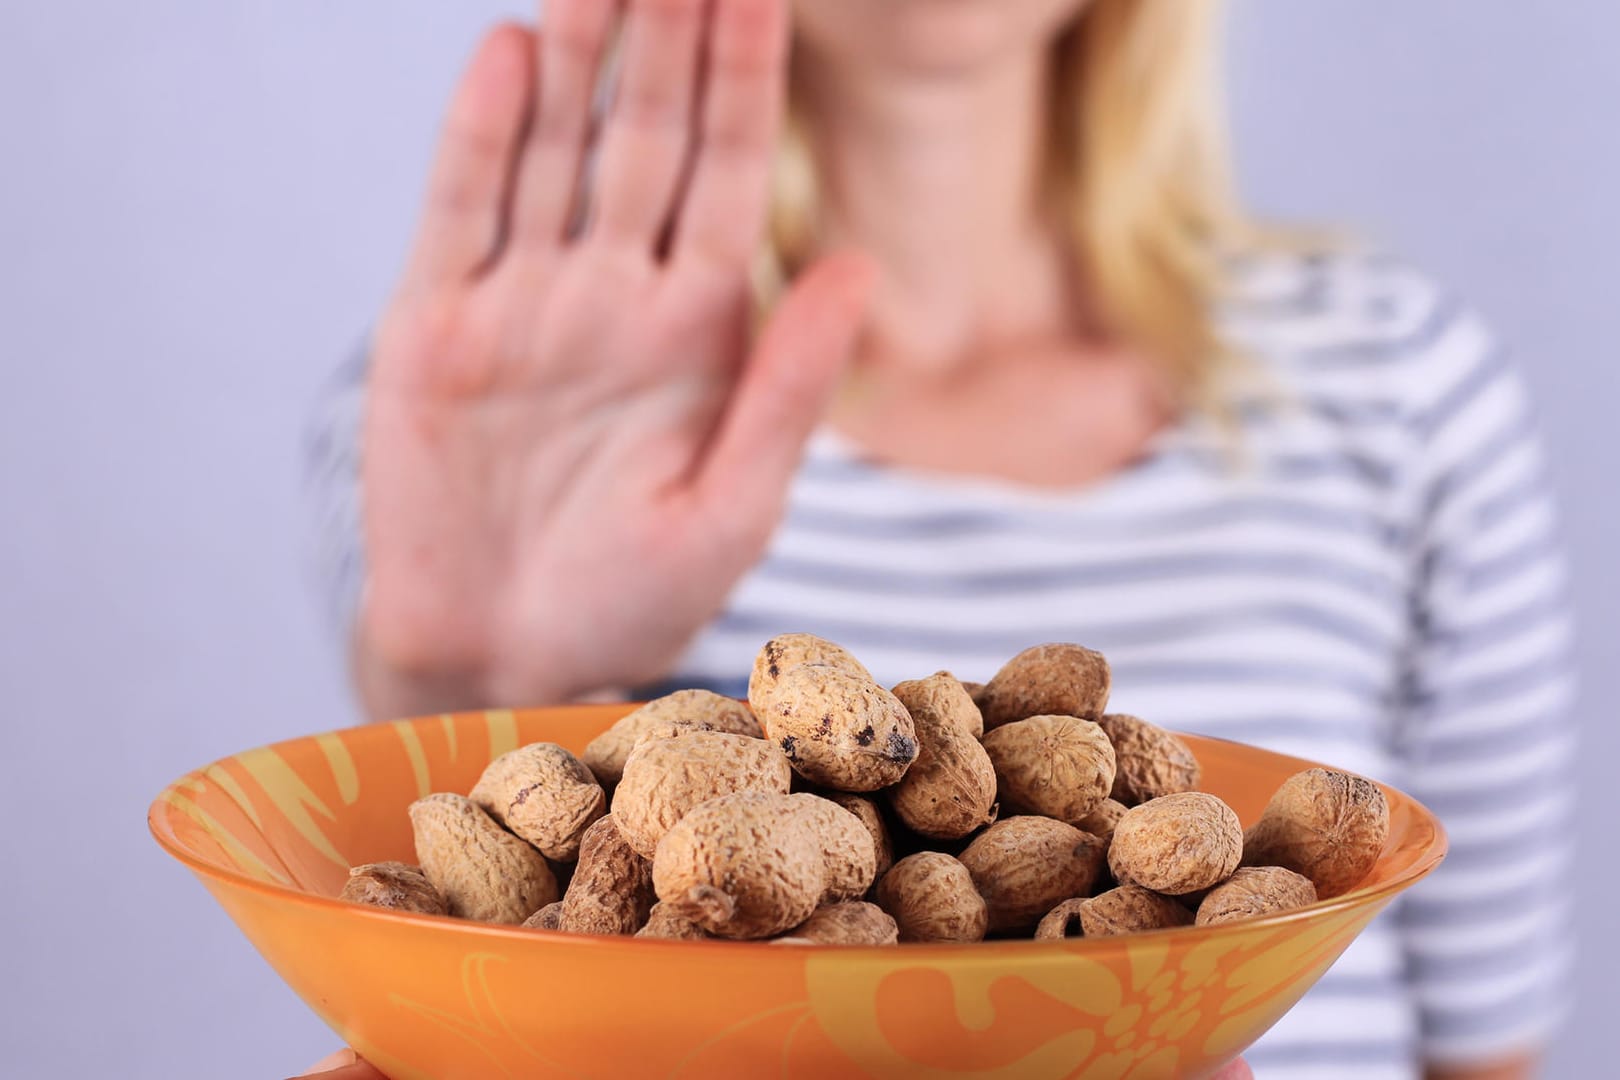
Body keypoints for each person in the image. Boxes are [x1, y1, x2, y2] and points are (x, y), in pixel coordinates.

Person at [304, 1, 1576, 1077]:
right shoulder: (525, 395)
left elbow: (1491, 1037)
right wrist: (462, 680)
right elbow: (490, 926)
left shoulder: (1397, 380)